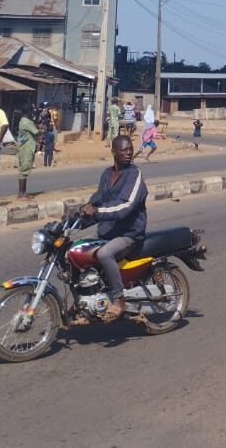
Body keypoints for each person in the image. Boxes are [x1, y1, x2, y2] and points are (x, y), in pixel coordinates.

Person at [79, 135, 148, 321]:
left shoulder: (134, 174)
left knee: (104, 254)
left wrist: (97, 212)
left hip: (129, 234)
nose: (129, 153)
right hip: (108, 232)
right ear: (113, 152)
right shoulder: (106, 174)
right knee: (78, 253)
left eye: (130, 149)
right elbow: (97, 200)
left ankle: (119, 300)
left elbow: (125, 206)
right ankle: (82, 299)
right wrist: (78, 216)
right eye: (124, 150)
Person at [16, 104, 39, 200]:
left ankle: (23, 192)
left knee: (25, 170)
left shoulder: (23, 121)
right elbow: (36, 132)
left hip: (25, 147)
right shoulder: (27, 122)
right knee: (24, 170)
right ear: (29, 112)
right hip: (27, 148)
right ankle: (21, 194)